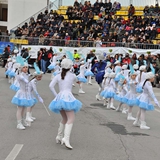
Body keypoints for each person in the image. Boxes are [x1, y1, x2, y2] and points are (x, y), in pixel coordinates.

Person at [48, 58, 82, 149]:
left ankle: (59, 136)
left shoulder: (58, 75)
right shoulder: (72, 75)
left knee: (64, 118)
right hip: (68, 98)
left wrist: (57, 96)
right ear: (70, 66)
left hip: (59, 98)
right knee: (71, 119)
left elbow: (51, 86)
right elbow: (78, 80)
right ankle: (66, 139)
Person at [11, 56, 35, 130]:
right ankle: (19, 123)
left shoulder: (25, 74)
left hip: (26, 93)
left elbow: (29, 78)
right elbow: (25, 80)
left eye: (26, 67)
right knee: (20, 109)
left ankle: (23, 120)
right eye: (24, 67)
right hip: (21, 93)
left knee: (24, 108)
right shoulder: (20, 75)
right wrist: (31, 78)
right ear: (21, 68)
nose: (26, 68)